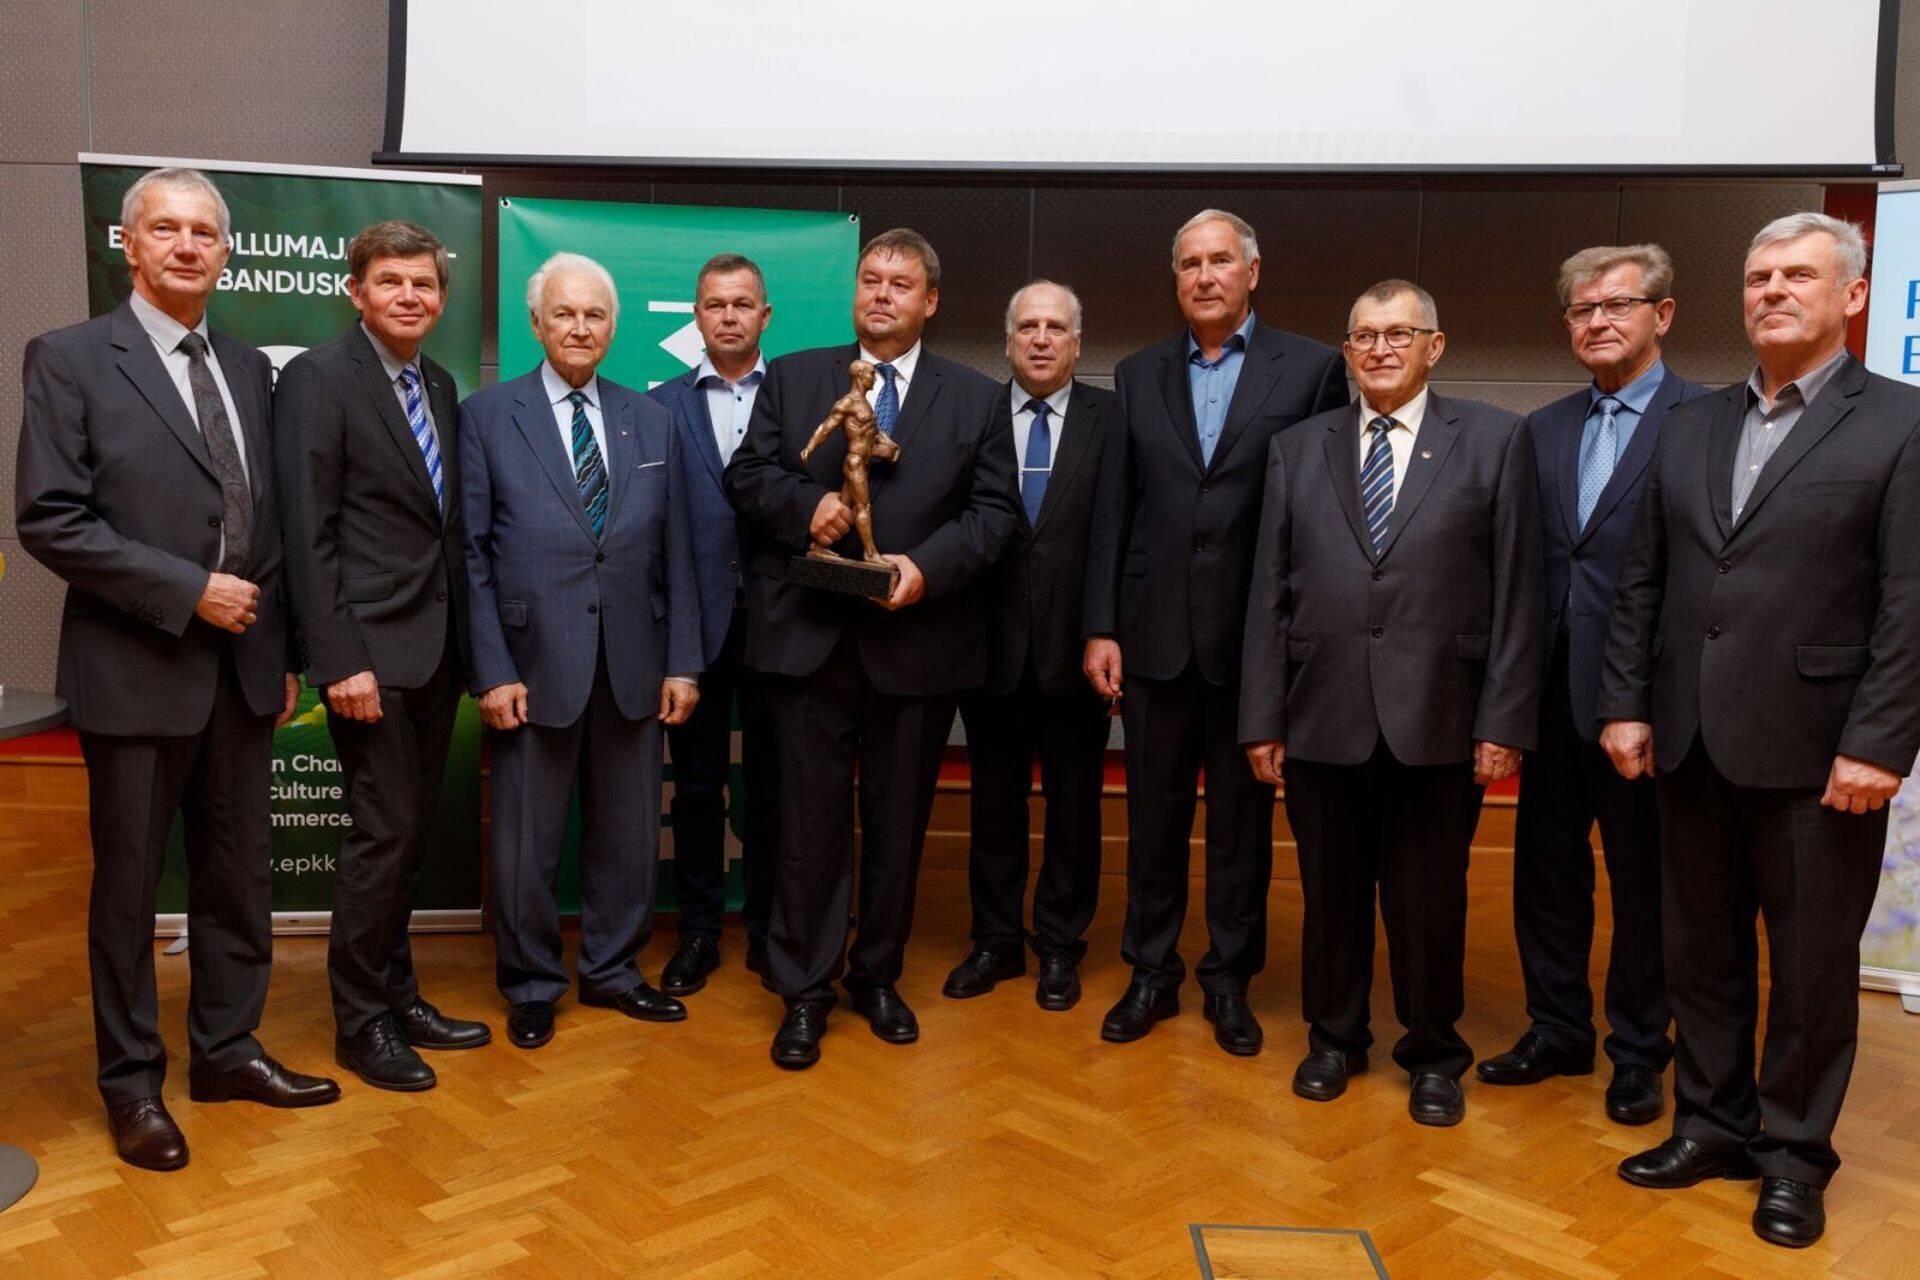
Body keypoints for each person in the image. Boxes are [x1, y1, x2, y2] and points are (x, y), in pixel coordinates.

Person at [1598, 212, 1920, 1248]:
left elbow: (1911, 602)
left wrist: (1879, 741)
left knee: (1814, 966)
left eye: (1797, 275)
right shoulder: (1687, 424)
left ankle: (1794, 1155)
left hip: (1823, 752)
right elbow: (1642, 575)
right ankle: (1713, 1123)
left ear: (1853, 296)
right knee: (1701, 952)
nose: (1772, 290)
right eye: (1757, 275)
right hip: (1688, 735)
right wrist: (1627, 699)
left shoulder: (1902, 423)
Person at [15, 167, 337, 1170]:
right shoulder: (70, 358)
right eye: (168, 228)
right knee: (127, 895)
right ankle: (132, 1085)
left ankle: (228, 1048)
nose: (188, 244)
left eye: (205, 231)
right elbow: (49, 518)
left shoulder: (248, 366)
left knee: (239, 880)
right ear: (130, 242)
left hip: (243, 675)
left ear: (225, 251)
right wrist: (186, 587)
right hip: (135, 667)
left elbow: (268, 522)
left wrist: (277, 651)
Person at [1240, 280, 1542, 1126]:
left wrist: (1504, 723)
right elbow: (1268, 590)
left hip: (1441, 721)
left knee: (1428, 899)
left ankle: (1432, 1050)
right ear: (1346, 351)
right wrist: (1262, 718)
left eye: (1398, 334)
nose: (1379, 349)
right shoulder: (1297, 448)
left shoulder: (1492, 440)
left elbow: (1519, 591)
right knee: (1329, 893)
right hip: (1320, 713)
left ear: (1434, 347)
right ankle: (1333, 1040)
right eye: (1363, 335)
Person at [723, 228, 1019, 1069]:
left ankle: (876, 976)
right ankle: (804, 993)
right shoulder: (795, 376)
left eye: (901, 283)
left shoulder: (975, 397)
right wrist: (801, 507)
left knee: (897, 825)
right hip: (809, 646)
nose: (882, 293)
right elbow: (746, 476)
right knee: (808, 830)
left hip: (916, 644)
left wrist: (927, 568)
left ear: (929, 302)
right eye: (870, 279)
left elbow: (996, 516)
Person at [1082, 209, 1348, 1055]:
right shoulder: (1136, 374)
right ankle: (1150, 974)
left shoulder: (1310, 370)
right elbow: (1114, 511)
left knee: (1241, 827)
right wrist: (1102, 627)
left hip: (1254, 644)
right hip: (1154, 639)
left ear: (1252, 272)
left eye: (1220, 261)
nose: (1205, 276)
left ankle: (1229, 979)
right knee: (1153, 819)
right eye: (1190, 263)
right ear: (1177, 279)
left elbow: (1321, 514)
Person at [1477, 245, 1706, 1125]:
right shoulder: (1543, 429)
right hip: (1547, 695)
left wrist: (1639, 702)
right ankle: (1557, 1026)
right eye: (1582, 310)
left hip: (1645, 706)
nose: (1599, 321)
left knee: (1645, 884)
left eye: (1618, 304)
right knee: (1546, 872)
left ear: (1664, 315)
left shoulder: (1704, 419)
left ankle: (1641, 1050)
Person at [460, 253, 703, 1049]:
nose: (579, 327)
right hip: (531, 667)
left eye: (594, 315)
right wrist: (490, 667)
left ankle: (611, 971)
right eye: (564, 313)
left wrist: (682, 661)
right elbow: (469, 555)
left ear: (613, 327)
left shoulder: (650, 418)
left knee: (629, 835)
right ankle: (532, 983)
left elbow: (677, 550)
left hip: (634, 663)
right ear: (536, 323)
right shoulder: (490, 414)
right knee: (526, 842)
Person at [274, 220, 488, 1091]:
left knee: (407, 836)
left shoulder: (436, 382)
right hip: (368, 654)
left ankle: (399, 997)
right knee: (382, 834)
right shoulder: (320, 379)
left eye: (425, 285)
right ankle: (359, 1022)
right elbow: (305, 528)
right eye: (391, 282)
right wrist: (338, 658)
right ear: (355, 291)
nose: (410, 296)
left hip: (433, 650)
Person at [943, 281, 1117, 1012]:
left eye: (1055, 328)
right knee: (994, 804)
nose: (1041, 339)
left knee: (1075, 807)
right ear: (1007, 341)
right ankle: (994, 941)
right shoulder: (973, 412)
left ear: (1077, 344)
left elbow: (1123, 534)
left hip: (1079, 650)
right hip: (989, 647)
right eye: (1027, 328)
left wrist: (1108, 630)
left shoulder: (1115, 419)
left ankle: (1058, 946)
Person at [648, 253, 779, 993]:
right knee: (695, 790)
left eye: (741, 304)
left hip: (780, 626)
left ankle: (766, 928)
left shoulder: (796, 399)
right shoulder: (656, 406)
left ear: (766, 316)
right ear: (695, 317)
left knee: (773, 788)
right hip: (691, 628)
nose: (728, 315)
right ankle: (697, 932)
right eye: (714, 304)